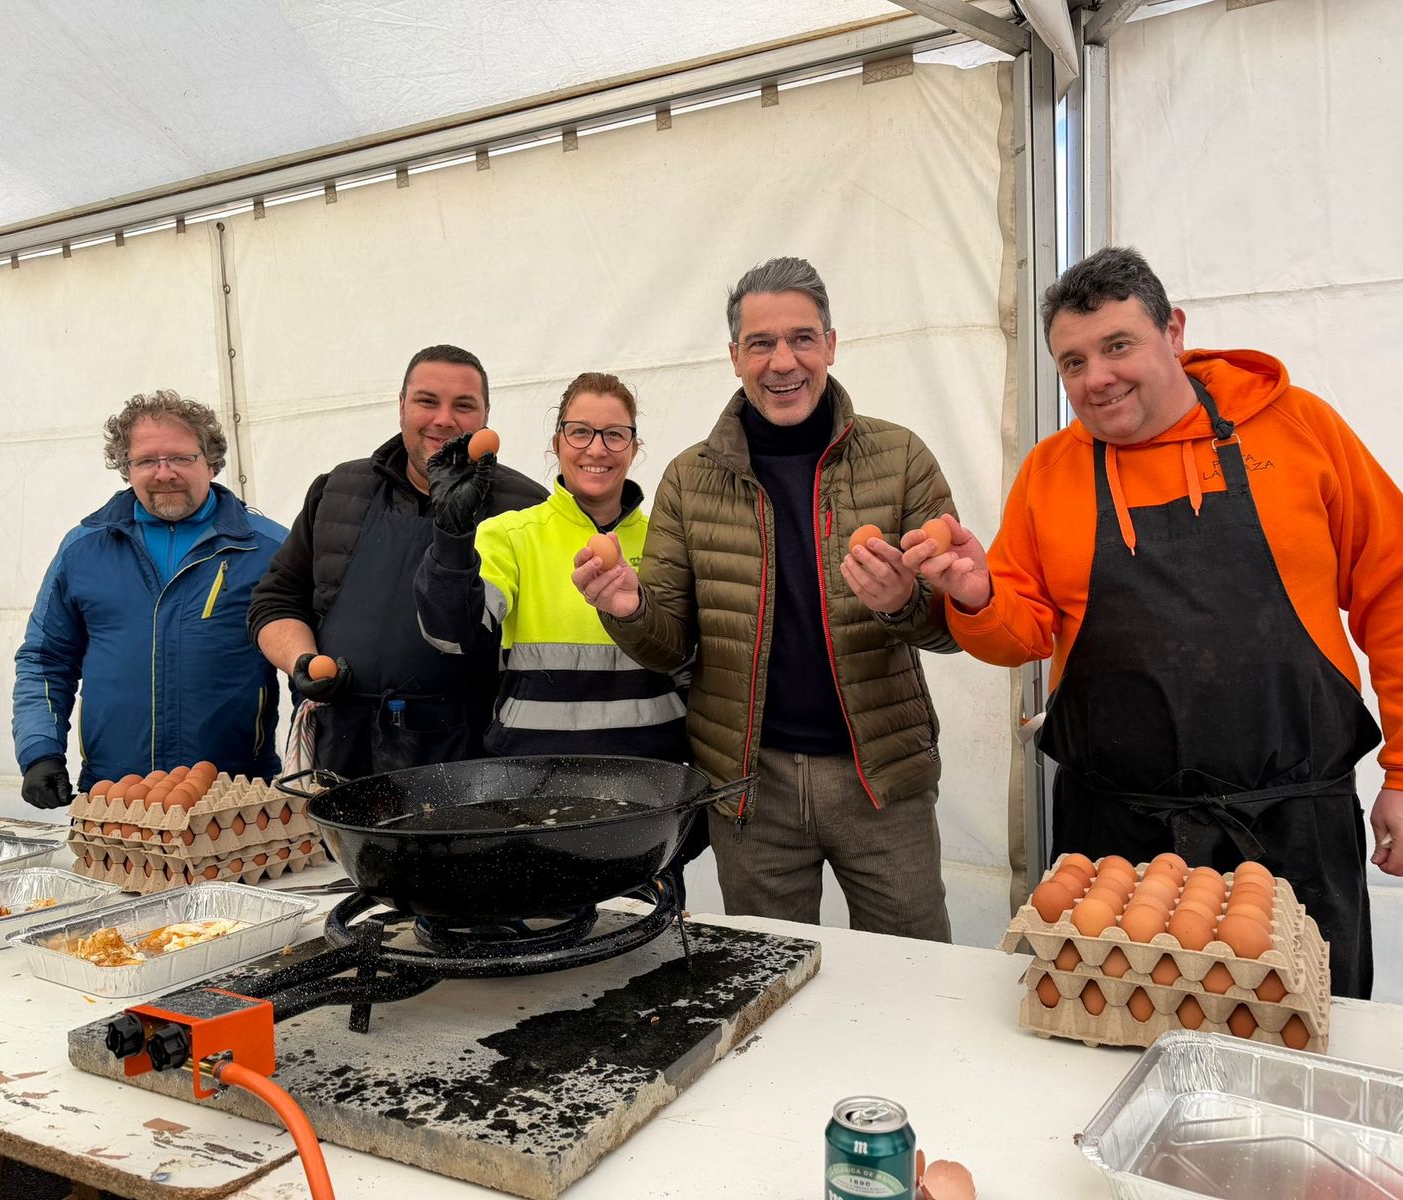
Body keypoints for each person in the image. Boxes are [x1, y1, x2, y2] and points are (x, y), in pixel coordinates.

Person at [919, 246, 1403, 997]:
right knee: (1101, 1044)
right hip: (1114, 838)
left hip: (1292, 826)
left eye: (1117, 346)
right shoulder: (1051, 472)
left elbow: (1397, 595)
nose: (1095, 377)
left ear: (1172, 331)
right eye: (1072, 362)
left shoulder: (1299, 431)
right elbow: (1025, 635)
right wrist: (976, 598)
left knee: (1298, 1054)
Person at [573, 257, 961, 942]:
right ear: (734, 357)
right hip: (751, 786)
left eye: (802, 338)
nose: (783, 361)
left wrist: (905, 600)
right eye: (761, 343)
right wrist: (628, 608)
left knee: (916, 972)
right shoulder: (690, 479)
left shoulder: (901, 458)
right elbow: (670, 643)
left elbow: (951, 627)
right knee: (764, 980)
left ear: (831, 345)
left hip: (882, 781)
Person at [412, 371, 705, 892]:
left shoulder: (668, 537)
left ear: (634, 447)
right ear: (556, 443)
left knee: (647, 953)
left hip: (645, 803)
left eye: (615, 434)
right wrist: (451, 538)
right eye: (580, 432)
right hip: (534, 798)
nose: (598, 448)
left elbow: (692, 661)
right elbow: (451, 634)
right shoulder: (510, 535)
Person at [248, 345, 547, 777]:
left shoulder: (524, 508)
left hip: (470, 759)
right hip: (344, 748)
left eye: (463, 405)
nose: (444, 419)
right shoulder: (338, 491)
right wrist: (303, 661)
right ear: (402, 406)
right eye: (427, 401)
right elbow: (275, 600)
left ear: (485, 418)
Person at [13, 391, 287, 807]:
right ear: (126, 469)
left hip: (236, 796)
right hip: (115, 793)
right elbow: (45, 659)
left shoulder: (266, 548)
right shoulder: (84, 549)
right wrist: (40, 751)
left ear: (211, 460)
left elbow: (311, 668)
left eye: (181, 458)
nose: (165, 473)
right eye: (146, 461)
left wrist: (317, 765)